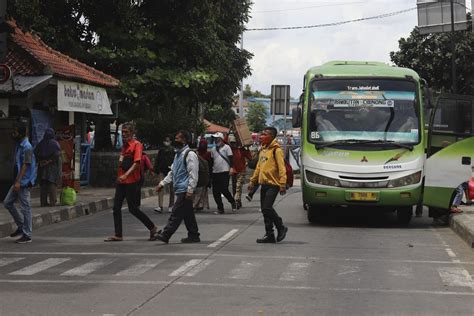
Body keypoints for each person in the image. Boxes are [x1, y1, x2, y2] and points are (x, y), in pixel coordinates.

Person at [104, 123, 158, 242]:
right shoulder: (124, 146)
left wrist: (126, 175)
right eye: (123, 132)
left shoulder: (136, 145)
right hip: (121, 181)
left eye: (126, 132)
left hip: (132, 181)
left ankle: (152, 227)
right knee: (116, 207)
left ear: (132, 133)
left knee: (133, 208)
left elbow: (137, 163)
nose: (124, 134)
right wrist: (120, 176)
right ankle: (118, 234)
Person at [154, 130, 200, 243]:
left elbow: (193, 173)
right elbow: (173, 172)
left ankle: (166, 234)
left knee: (176, 212)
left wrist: (190, 189)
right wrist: (162, 183)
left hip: (185, 189)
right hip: (179, 189)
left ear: (184, 140)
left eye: (178, 138)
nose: (175, 140)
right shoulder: (178, 154)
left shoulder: (190, 154)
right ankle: (194, 235)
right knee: (188, 214)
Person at [248, 126, 288, 243]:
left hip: (273, 184)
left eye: (264, 134)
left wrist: (282, 183)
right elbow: (258, 168)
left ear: (271, 136)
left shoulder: (277, 150)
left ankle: (281, 227)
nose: (261, 136)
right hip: (263, 184)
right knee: (264, 210)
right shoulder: (263, 150)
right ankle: (269, 234)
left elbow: (282, 168)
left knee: (267, 207)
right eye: (261, 134)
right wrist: (252, 181)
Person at [3, 120, 37, 243]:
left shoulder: (27, 147)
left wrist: (18, 181)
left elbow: (25, 165)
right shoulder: (19, 145)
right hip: (17, 180)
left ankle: (27, 234)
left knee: (25, 208)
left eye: (15, 132)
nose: (13, 133)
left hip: (23, 181)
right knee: (7, 202)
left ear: (21, 133)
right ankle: (21, 226)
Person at [210, 132, 236, 214]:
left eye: (217, 138)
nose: (215, 140)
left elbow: (231, 159)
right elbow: (211, 161)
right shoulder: (213, 149)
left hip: (225, 171)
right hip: (215, 172)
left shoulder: (227, 147)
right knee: (215, 192)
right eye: (214, 139)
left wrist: (231, 168)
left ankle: (232, 201)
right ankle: (220, 208)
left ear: (221, 139)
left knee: (224, 189)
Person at [34, 128, 62, 207]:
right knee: (51, 183)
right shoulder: (55, 143)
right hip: (52, 167)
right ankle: (52, 202)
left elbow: (35, 153)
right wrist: (49, 161)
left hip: (42, 167)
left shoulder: (41, 144)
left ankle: (43, 202)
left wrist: (41, 161)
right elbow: (57, 155)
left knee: (43, 184)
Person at [229, 135, 252, 209]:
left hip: (241, 170)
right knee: (234, 187)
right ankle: (237, 201)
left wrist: (247, 149)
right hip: (234, 171)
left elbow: (250, 157)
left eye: (234, 142)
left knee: (238, 187)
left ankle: (236, 201)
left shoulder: (242, 150)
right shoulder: (229, 150)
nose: (233, 144)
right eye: (232, 143)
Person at [154, 136, 175, 213]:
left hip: (171, 170)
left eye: (168, 140)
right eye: (165, 140)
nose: (166, 142)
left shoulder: (173, 150)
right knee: (160, 186)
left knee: (172, 189)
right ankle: (160, 206)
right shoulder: (161, 151)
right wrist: (156, 170)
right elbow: (157, 160)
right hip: (162, 170)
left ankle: (171, 205)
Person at [193, 138, 211, 212]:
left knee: (200, 190)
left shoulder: (199, 153)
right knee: (200, 191)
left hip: (202, 174)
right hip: (200, 173)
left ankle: (198, 205)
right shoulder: (198, 154)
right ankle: (198, 205)